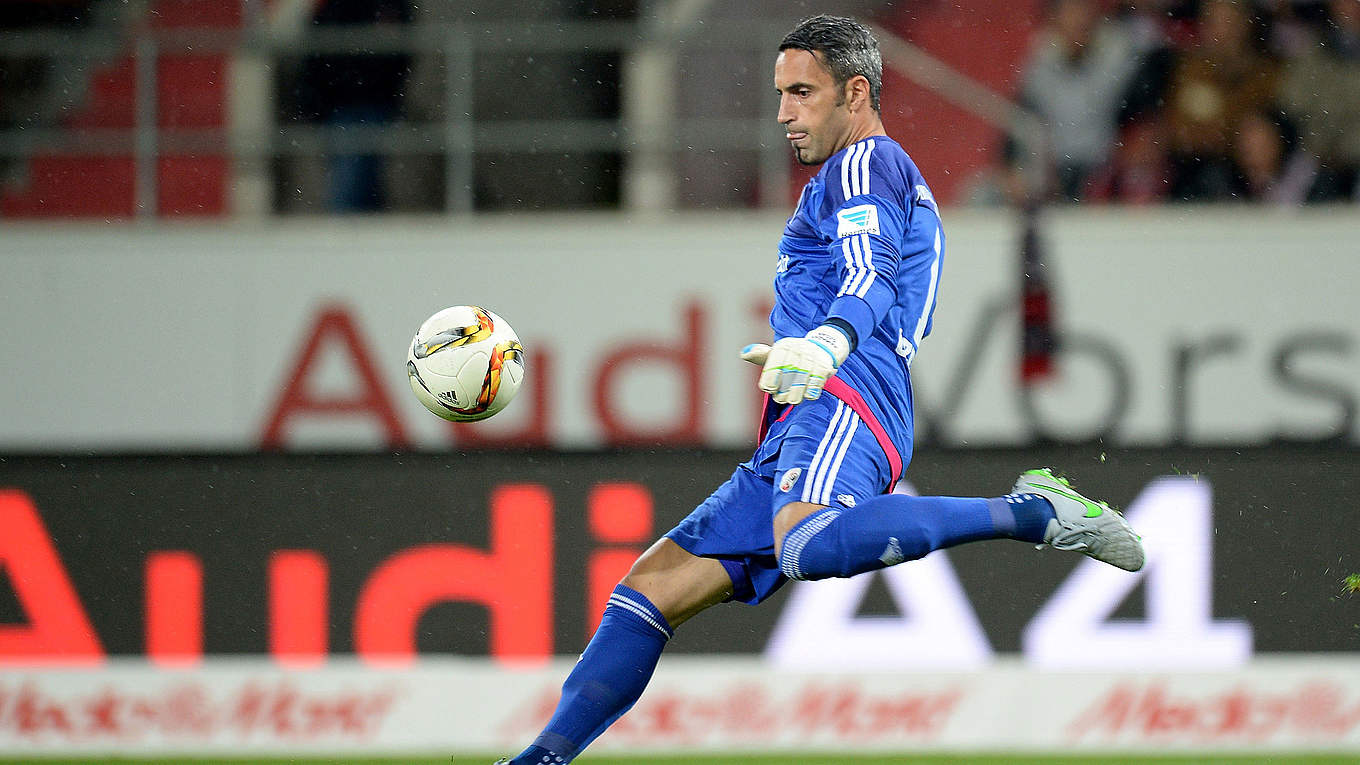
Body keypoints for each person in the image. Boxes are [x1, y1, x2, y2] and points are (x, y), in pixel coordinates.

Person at [493, 15, 1145, 765]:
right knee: (652, 590)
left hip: (848, 392)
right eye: (780, 94)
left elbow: (870, 274)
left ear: (855, 93)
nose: (783, 113)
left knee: (806, 544)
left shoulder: (865, 163)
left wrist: (826, 342)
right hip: (808, 409)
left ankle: (1033, 513)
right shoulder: (851, 177)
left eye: (802, 93)